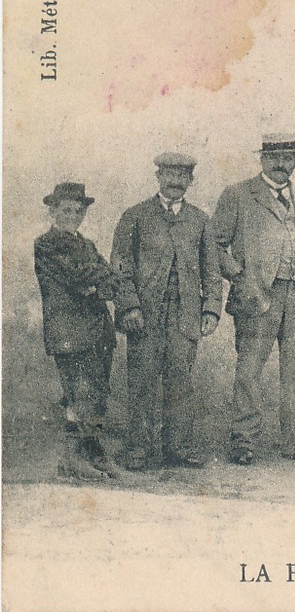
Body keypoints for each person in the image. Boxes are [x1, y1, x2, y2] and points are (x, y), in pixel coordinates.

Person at [212, 133, 295, 466]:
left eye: (288, 157)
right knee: (249, 370)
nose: (282, 164)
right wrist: (240, 278)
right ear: (262, 159)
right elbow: (215, 243)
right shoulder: (238, 194)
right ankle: (243, 441)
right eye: (275, 157)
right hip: (258, 297)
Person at [109, 152, 224, 471]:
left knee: (180, 383)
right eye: (169, 176)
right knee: (142, 382)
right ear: (158, 177)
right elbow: (120, 266)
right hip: (144, 316)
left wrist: (211, 309)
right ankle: (137, 450)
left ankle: (179, 447)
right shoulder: (135, 216)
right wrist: (129, 305)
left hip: (185, 315)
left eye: (182, 177)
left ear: (191, 181)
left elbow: (211, 270)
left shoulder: (200, 220)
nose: (175, 182)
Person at [34, 182, 124, 481]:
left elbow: (110, 283)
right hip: (69, 333)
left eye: (78, 210)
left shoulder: (86, 244)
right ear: (52, 210)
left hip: (98, 331)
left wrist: (98, 284)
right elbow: (79, 277)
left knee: (97, 395)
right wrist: (102, 279)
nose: (73, 215)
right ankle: (71, 460)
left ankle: (93, 454)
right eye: (66, 210)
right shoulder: (46, 244)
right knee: (78, 394)